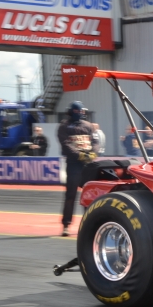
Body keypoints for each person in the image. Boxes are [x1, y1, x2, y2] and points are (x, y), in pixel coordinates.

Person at [57, 101, 98, 236]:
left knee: (90, 195)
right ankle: (66, 225)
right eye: (77, 111)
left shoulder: (88, 126)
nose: (79, 114)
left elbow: (95, 141)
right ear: (71, 112)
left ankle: (89, 225)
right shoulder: (64, 126)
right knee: (71, 195)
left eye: (81, 111)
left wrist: (93, 153)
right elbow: (65, 145)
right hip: (73, 164)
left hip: (87, 164)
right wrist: (79, 155)